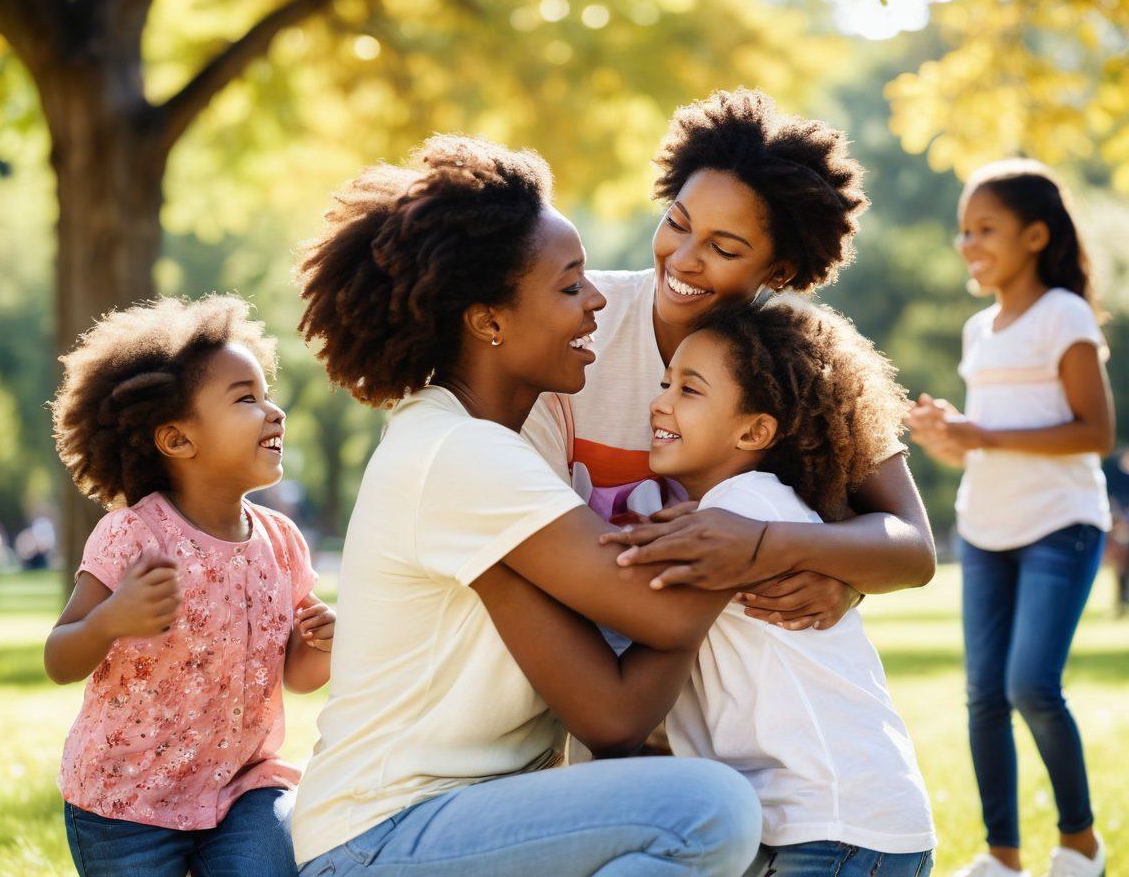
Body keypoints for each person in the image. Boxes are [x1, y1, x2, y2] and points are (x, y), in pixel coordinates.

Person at [292, 135, 761, 877]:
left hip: (448, 824)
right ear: (489, 321)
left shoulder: (473, 446)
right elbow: (659, 632)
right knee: (710, 809)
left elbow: (611, 713)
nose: (598, 300)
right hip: (380, 836)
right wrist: (743, 502)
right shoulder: (462, 456)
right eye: (570, 286)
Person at [521, 87, 936, 638]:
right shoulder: (577, 318)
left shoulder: (793, 365)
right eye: (677, 222)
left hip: (723, 696)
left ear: (781, 272)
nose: (684, 259)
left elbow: (912, 546)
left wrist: (811, 562)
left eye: (724, 248)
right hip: (583, 677)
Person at [601, 298, 935, 877]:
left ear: (755, 430)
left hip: (834, 828)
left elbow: (627, 597)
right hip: (817, 825)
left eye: (689, 390)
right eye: (664, 382)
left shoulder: (743, 505)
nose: (659, 401)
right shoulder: (733, 508)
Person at [45, 295, 336, 877]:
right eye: (246, 400)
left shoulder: (281, 541)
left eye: (267, 394)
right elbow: (59, 658)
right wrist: (110, 621)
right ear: (178, 440)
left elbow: (298, 679)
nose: (275, 412)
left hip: (244, 785)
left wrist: (320, 646)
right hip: (125, 803)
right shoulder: (133, 536)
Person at [908, 159, 1113, 877]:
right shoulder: (978, 330)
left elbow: (1096, 431)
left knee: (1032, 685)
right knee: (984, 696)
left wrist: (982, 436)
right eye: (963, 231)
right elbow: (984, 444)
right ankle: (1001, 856)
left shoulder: (1065, 314)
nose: (968, 243)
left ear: (1034, 235)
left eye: (985, 229)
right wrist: (950, 436)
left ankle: (1081, 842)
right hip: (986, 526)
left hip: (1061, 524)